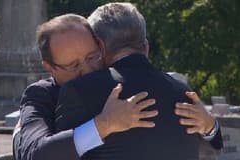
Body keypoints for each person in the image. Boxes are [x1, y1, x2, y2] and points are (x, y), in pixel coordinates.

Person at [55, 2, 223, 160]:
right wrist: (211, 125)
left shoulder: (80, 91)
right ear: (146, 46)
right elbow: (214, 146)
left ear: (101, 47)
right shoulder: (183, 92)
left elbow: (54, 153)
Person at [13, 14, 159, 160]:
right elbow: (35, 155)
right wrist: (104, 124)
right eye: (73, 65)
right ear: (50, 68)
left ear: (101, 48)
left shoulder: (119, 81)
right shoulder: (42, 95)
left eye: (92, 57)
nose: (87, 70)